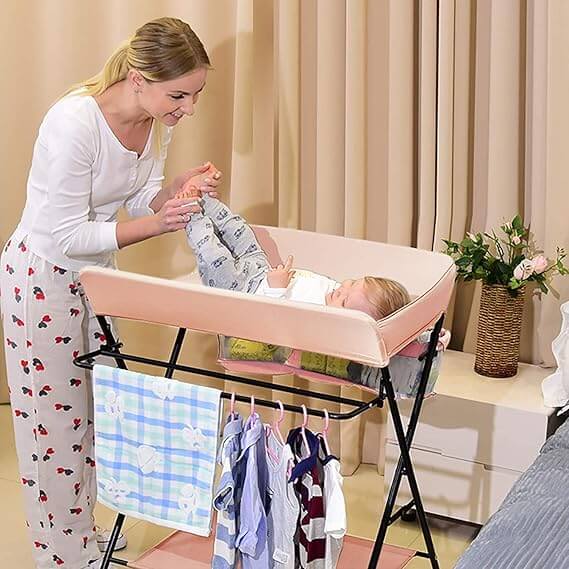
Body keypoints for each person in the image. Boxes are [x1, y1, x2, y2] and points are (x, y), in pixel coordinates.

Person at [0, 17, 221, 569]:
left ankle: (83, 531)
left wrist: (175, 191)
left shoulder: (154, 121)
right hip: (42, 279)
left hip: (96, 279)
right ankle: (62, 554)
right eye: (180, 96)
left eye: (195, 95)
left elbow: (142, 194)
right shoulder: (74, 123)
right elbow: (67, 235)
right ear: (139, 79)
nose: (189, 108)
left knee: (96, 412)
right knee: (52, 424)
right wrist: (158, 224)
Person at [177, 185, 410, 320]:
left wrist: (275, 289)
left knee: (213, 253)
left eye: (345, 299)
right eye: (353, 283)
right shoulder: (335, 292)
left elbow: (276, 320)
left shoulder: (323, 321)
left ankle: (189, 212)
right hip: (261, 270)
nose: (342, 288)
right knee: (241, 231)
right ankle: (204, 200)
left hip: (243, 293)